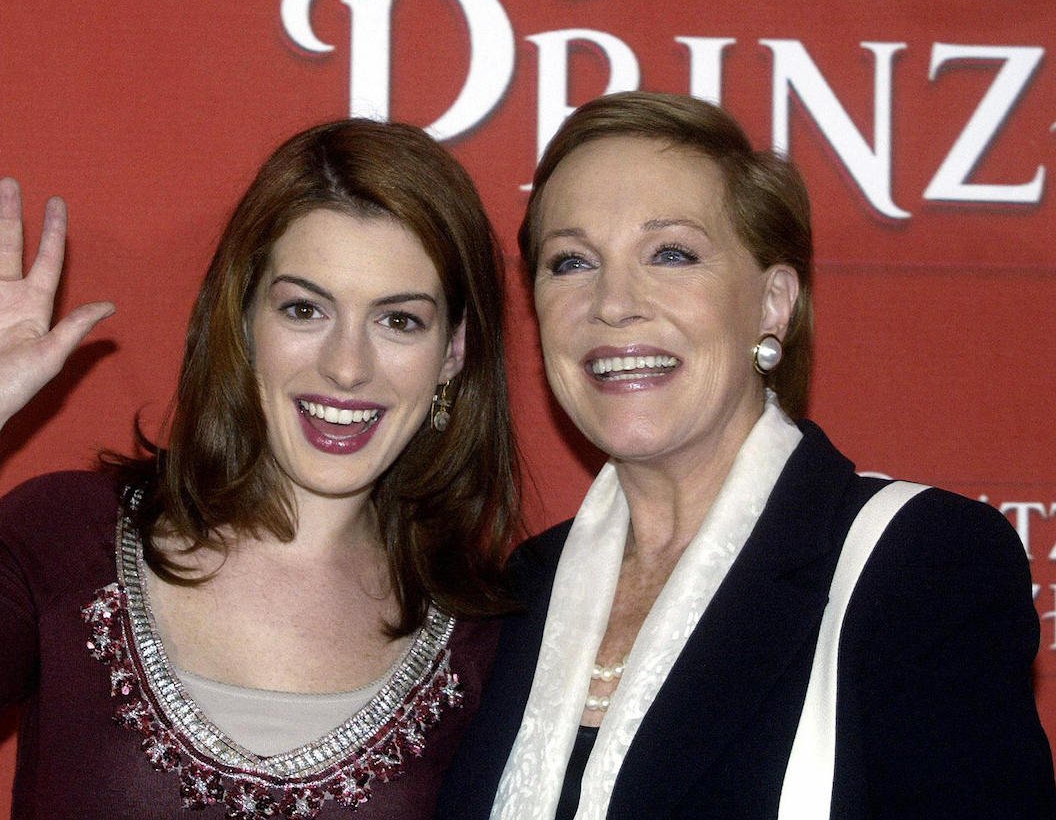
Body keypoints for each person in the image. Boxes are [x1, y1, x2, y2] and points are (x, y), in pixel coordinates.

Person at [0, 118, 519, 819]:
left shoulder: (486, 630)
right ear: (244, 320)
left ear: (453, 351)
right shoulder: (69, 538)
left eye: (399, 320)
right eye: (304, 310)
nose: (347, 365)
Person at [436, 92, 1055, 819]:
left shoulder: (919, 567)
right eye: (570, 261)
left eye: (671, 253)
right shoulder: (517, 593)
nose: (613, 303)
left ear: (773, 303)